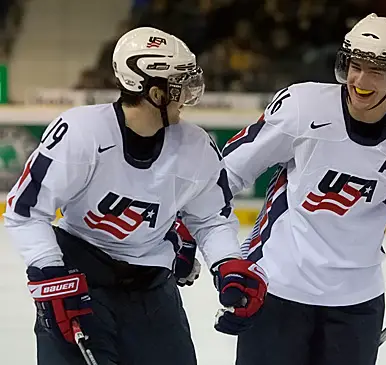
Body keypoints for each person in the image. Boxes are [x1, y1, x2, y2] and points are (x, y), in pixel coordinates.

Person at [219, 13, 386, 365]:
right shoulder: (303, 108)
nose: (360, 80)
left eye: (376, 70)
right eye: (355, 65)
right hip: (277, 287)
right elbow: (228, 174)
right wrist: (202, 235)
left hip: (357, 301)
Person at [4, 27, 267, 365]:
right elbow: (25, 211)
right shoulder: (82, 134)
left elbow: (211, 219)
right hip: (81, 288)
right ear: (154, 92)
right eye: (179, 84)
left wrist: (228, 262)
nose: (188, 94)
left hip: (153, 294)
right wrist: (50, 273)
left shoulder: (196, 147)